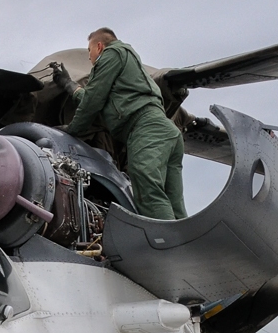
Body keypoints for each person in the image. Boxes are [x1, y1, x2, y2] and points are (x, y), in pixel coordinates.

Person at [52, 28, 187, 220]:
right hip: (166, 133)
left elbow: (93, 100)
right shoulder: (127, 63)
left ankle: (167, 247)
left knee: (148, 193)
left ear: (99, 47)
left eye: (89, 52)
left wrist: (73, 130)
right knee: (175, 204)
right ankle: (185, 246)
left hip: (146, 130)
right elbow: (97, 98)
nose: (89, 58)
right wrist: (68, 85)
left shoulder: (112, 53)